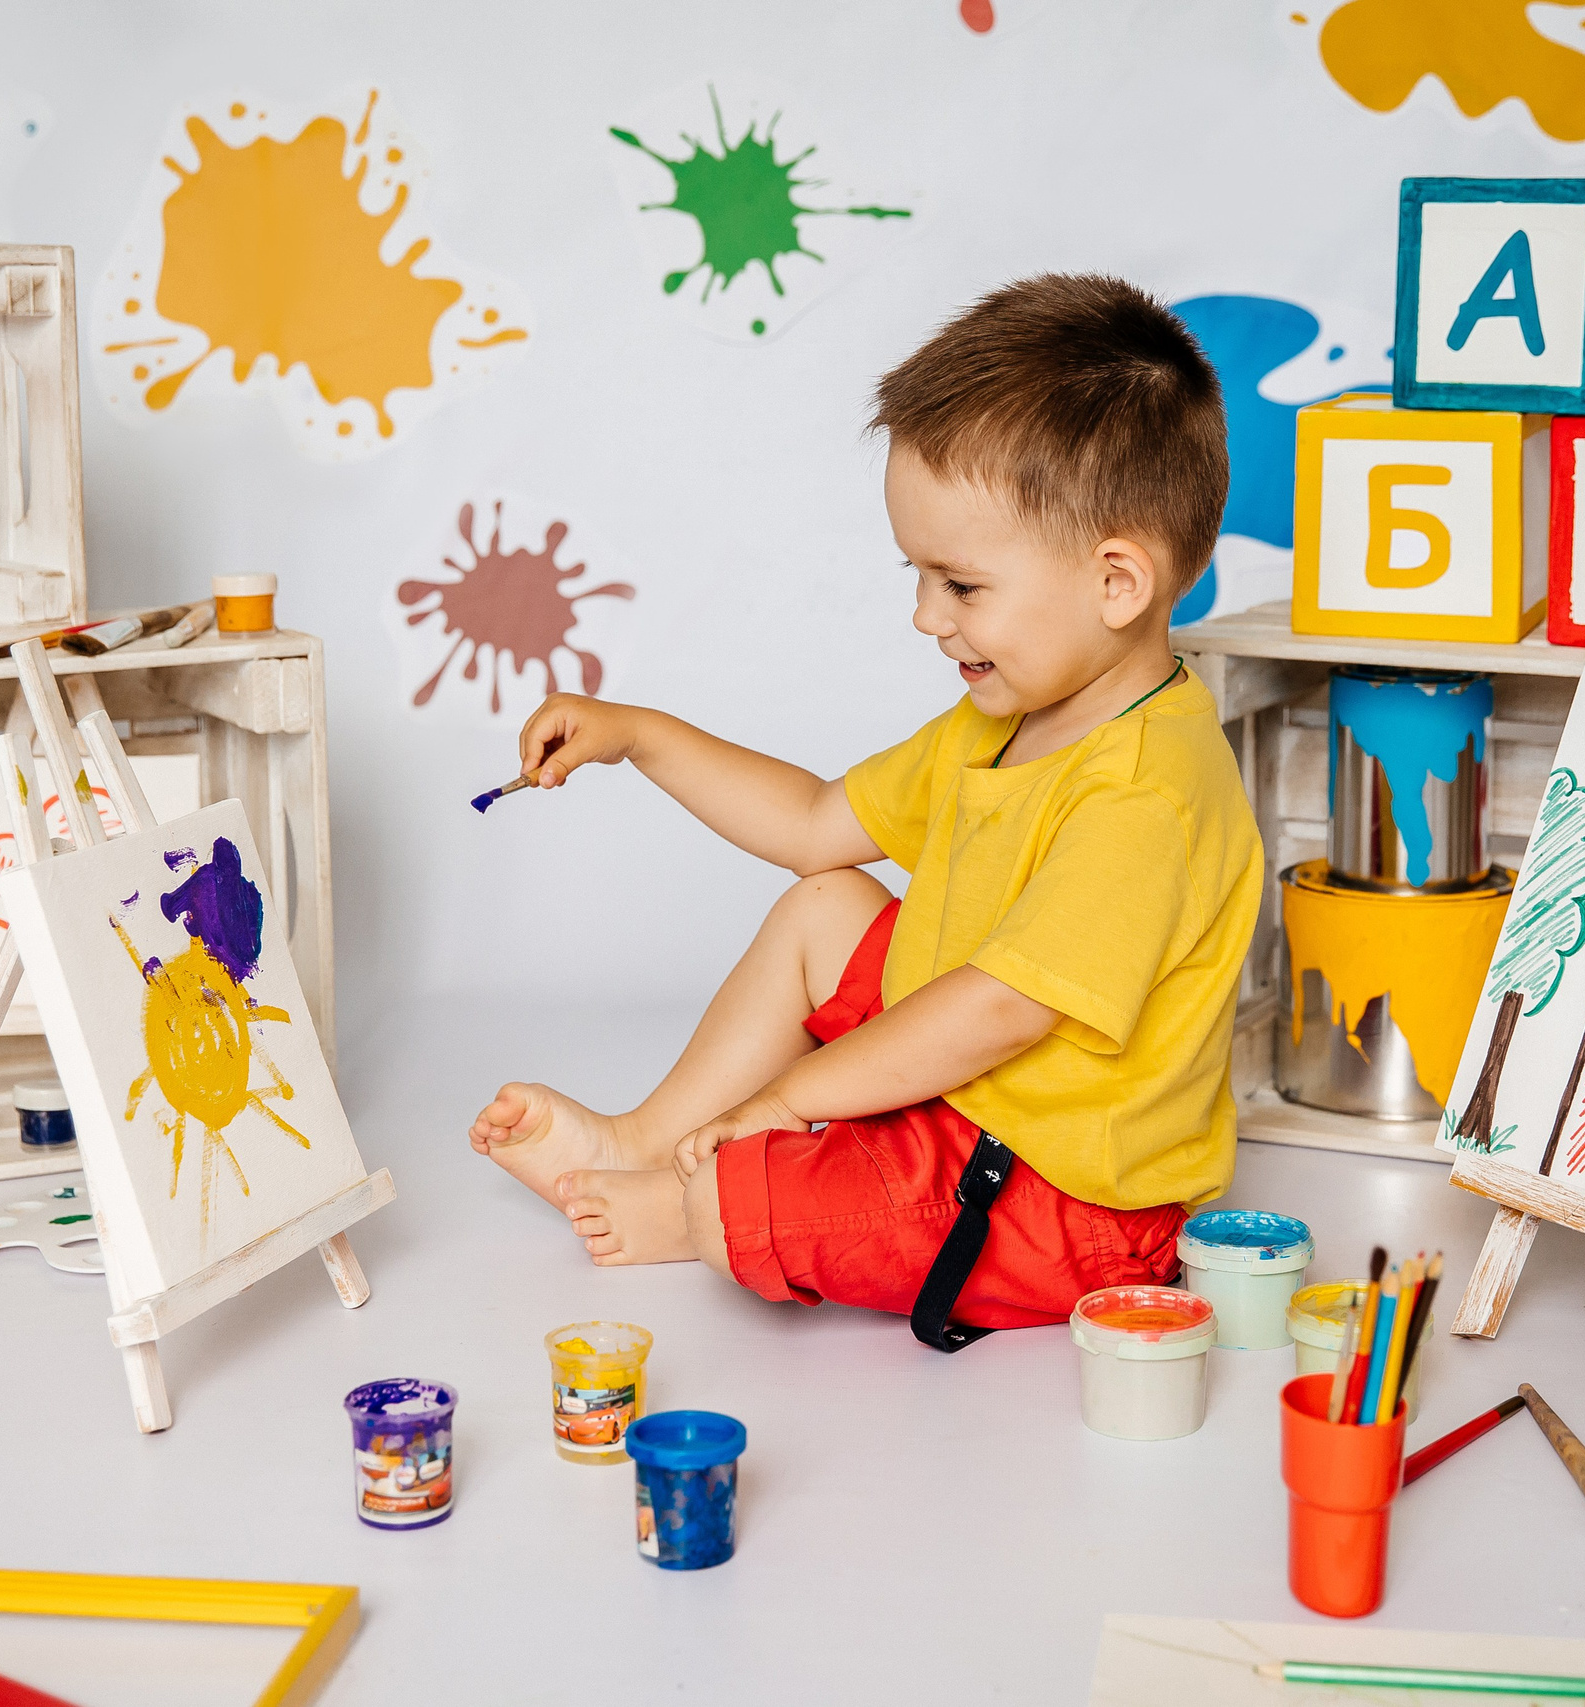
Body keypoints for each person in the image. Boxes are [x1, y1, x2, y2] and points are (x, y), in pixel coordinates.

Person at [470, 273, 1264, 1332]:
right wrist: (640, 737)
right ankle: (642, 1140)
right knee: (825, 905)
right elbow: (811, 824)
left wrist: (791, 1100)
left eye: (961, 585)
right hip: (970, 1095)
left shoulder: (1147, 794)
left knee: (754, 1191)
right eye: (918, 575)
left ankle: (684, 1206)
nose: (925, 616)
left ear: (1116, 583)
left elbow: (997, 1010)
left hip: (1060, 1199)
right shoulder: (1010, 716)